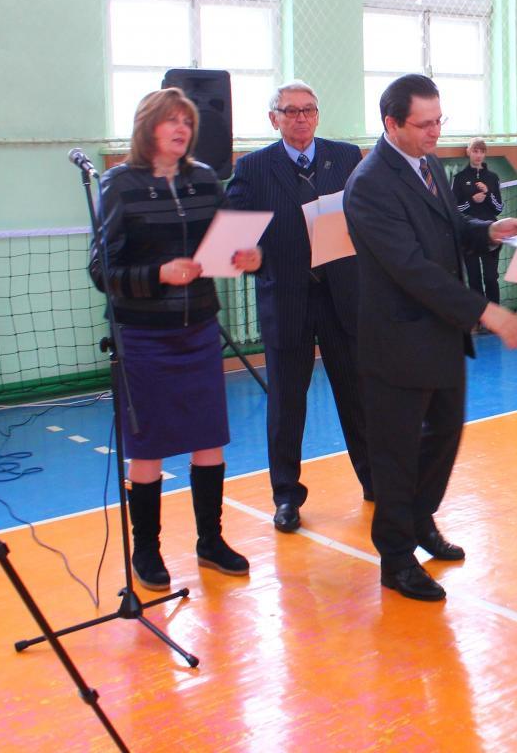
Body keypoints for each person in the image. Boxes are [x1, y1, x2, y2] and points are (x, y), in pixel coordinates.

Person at [344, 74, 517, 602]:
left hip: (440, 334)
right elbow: (411, 268)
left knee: (445, 433)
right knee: (397, 452)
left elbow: (447, 230)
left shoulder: (426, 164)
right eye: (424, 124)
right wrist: (486, 311)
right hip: (399, 339)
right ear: (391, 123)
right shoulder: (370, 184)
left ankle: (420, 519)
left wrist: (487, 231)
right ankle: (396, 559)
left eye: (438, 121)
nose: (435, 132)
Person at [90, 87, 257, 590]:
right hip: (143, 336)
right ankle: (147, 551)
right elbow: (102, 270)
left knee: (209, 441)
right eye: (171, 121)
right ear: (148, 127)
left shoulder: (204, 179)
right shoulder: (119, 185)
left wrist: (249, 258)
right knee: (148, 448)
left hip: (199, 330)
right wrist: (159, 274)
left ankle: (211, 541)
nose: (182, 129)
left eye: (187, 121)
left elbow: (226, 245)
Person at [225, 80, 372, 534]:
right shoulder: (252, 168)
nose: (301, 118)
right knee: (286, 405)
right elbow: (233, 238)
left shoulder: (346, 157)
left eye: (308, 109)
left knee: (358, 397)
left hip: (342, 298)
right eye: (290, 111)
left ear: (318, 114)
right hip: (287, 299)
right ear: (274, 119)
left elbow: (368, 215)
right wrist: (248, 256)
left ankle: (375, 480)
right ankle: (286, 496)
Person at [451, 137, 504, 305]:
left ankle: (495, 313)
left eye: (482, 151)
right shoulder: (459, 178)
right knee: (474, 278)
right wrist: (471, 201)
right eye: (475, 151)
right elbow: (453, 208)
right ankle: (480, 315)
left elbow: (498, 208)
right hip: (468, 234)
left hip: (490, 232)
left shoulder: (493, 178)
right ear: (468, 152)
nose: (478, 155)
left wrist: (488, 194)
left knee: (490, 277)